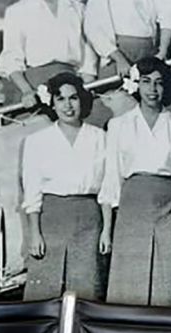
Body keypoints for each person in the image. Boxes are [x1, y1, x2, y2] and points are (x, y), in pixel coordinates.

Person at [99, 58, 171, 306]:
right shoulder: (119, 125)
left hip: (170, 206)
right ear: (136, 84)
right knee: (130, 279)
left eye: (159, 83)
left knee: (166, 277)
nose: (152, 89)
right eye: (146, 82)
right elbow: (112, 177)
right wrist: (107, 228)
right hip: (132, 207)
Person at [20, 73, 107, 301]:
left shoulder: (101, 138)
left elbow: (108, 188)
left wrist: (106, 229)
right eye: (61, 99)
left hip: (89, 219)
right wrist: (35, 234)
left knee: (86, 291)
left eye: (73, 98)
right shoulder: (37, 141)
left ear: (82, 101)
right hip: (52, 221)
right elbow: (32, 191)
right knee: (46, 291)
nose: (68, 106)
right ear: (52, 102)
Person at [0, 0, 97, 109]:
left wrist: (81, 90)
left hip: (72, 86)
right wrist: (27, 91)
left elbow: (88, 61)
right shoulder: (17, 11)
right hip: (36, 88)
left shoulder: (78, 9)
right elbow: (11, 60)